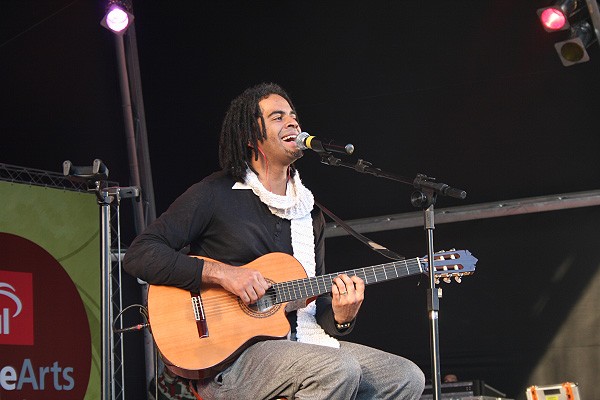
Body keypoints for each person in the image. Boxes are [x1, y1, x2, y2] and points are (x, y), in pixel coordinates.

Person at [123, 82, 425, 400]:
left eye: (293, 116)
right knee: (337, 368)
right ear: (250, 136)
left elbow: (315, 302)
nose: (292, 122)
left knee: (404, 377)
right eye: (277, 117)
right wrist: (224, 274)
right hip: (228, 359)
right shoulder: (215, 193)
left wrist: (341, 318)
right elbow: (140, 254)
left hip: (300, 343)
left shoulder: (309, 213)